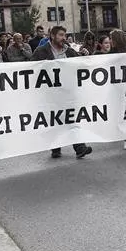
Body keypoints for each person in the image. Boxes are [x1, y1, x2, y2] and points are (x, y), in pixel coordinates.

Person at [31, 26, 93, 160]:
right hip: (51, 94)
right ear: (52, 36)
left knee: (71, 118)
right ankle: (56, 147)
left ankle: (79, 147)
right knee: (55, 120)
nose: (63, 38)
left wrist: (85, 57)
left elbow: (79, 66)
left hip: (68, 93)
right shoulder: (41, 51)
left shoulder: (69, 51)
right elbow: (32, 69)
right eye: (60, 35)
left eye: (64, 35)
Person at [102, 29, 126, 150]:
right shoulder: (111, 53)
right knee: (121, 112)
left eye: (112, 39)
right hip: (117, 88)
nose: (110, 41)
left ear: (117, 39)